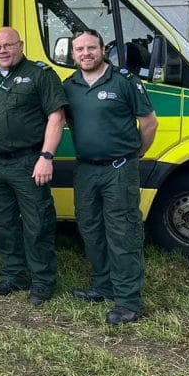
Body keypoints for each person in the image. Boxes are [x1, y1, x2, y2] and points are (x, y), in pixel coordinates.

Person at [0, 27, 67, 306]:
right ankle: (13, 275)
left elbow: (56, 117)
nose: (3, 51)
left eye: (8, 45)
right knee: (4, 223)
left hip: (29, 162)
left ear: (21, 45)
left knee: (37, 224)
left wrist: (46, 156)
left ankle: (42, 281)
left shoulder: (40, 75)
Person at [63, 29, 157, 325]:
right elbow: (67, 120)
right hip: (87, 169)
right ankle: (102, 287)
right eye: (79, 49)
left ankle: (128, 300)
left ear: (103, 50)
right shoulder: (70, 85)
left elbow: (149, 123)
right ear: (73, 54)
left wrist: (135, 155)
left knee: (122, 233)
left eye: (91, 47)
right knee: (90, 229)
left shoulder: (125, 81)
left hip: (119, 169)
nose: (85, 53)